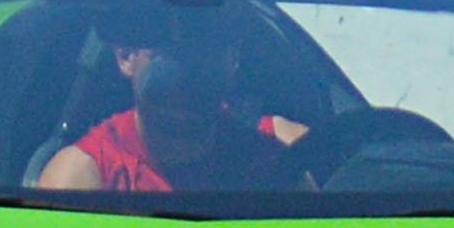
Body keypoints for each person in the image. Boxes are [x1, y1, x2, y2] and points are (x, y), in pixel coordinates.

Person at [38, 39, 307, 193]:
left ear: (231, 62)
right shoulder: (84, 178)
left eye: (205, 59)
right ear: (126, 57)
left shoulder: (278, 153)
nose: (185, 84)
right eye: (167, 62)